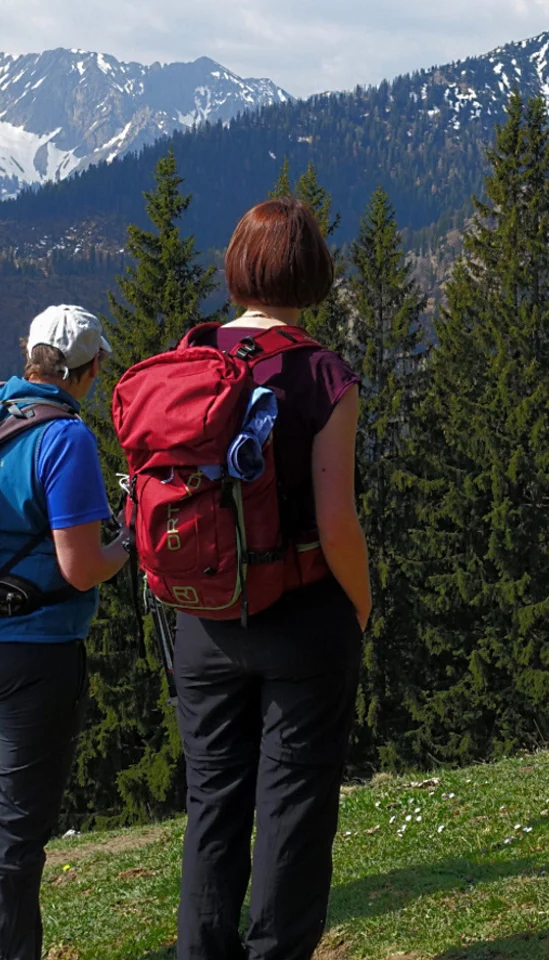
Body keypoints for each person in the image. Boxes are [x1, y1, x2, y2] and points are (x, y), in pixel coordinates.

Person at [174, 197, 371, 960]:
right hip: (303, 614)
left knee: (212, 803)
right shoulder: (324, 375)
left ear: (238, 267)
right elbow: (337, 524)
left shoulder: (190, 359)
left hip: (205, 613)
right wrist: (359, 605)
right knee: (293, 803)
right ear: (312, 271)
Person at [0, 304, 129, 960]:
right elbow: (81, 568)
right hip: (34, 652)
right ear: (90, 369)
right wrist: (128, 544)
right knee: (17, 833)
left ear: (27, 351)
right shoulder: (65, 437)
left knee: (4, 816)